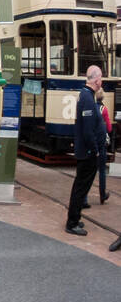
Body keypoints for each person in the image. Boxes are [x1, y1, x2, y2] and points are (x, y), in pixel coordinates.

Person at [65, 65, 106, 235]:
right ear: (96, 80)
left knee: (80, 186)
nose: (102, 81)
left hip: (87, 151)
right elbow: (88, 130)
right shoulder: (88, 99)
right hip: (89, 153)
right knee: (81, 187)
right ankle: (72, 222)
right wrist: (95, 150)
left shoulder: (86, 95)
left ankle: (75, 218)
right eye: (101, 78)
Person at [97, 87, 111, 206]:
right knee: (102, 171)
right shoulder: (104, 109)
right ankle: (102, 195)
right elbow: (109, 128)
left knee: (89, 172)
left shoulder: (91, 107)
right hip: (101, 143)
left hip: (91, 143)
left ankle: (84, 198)